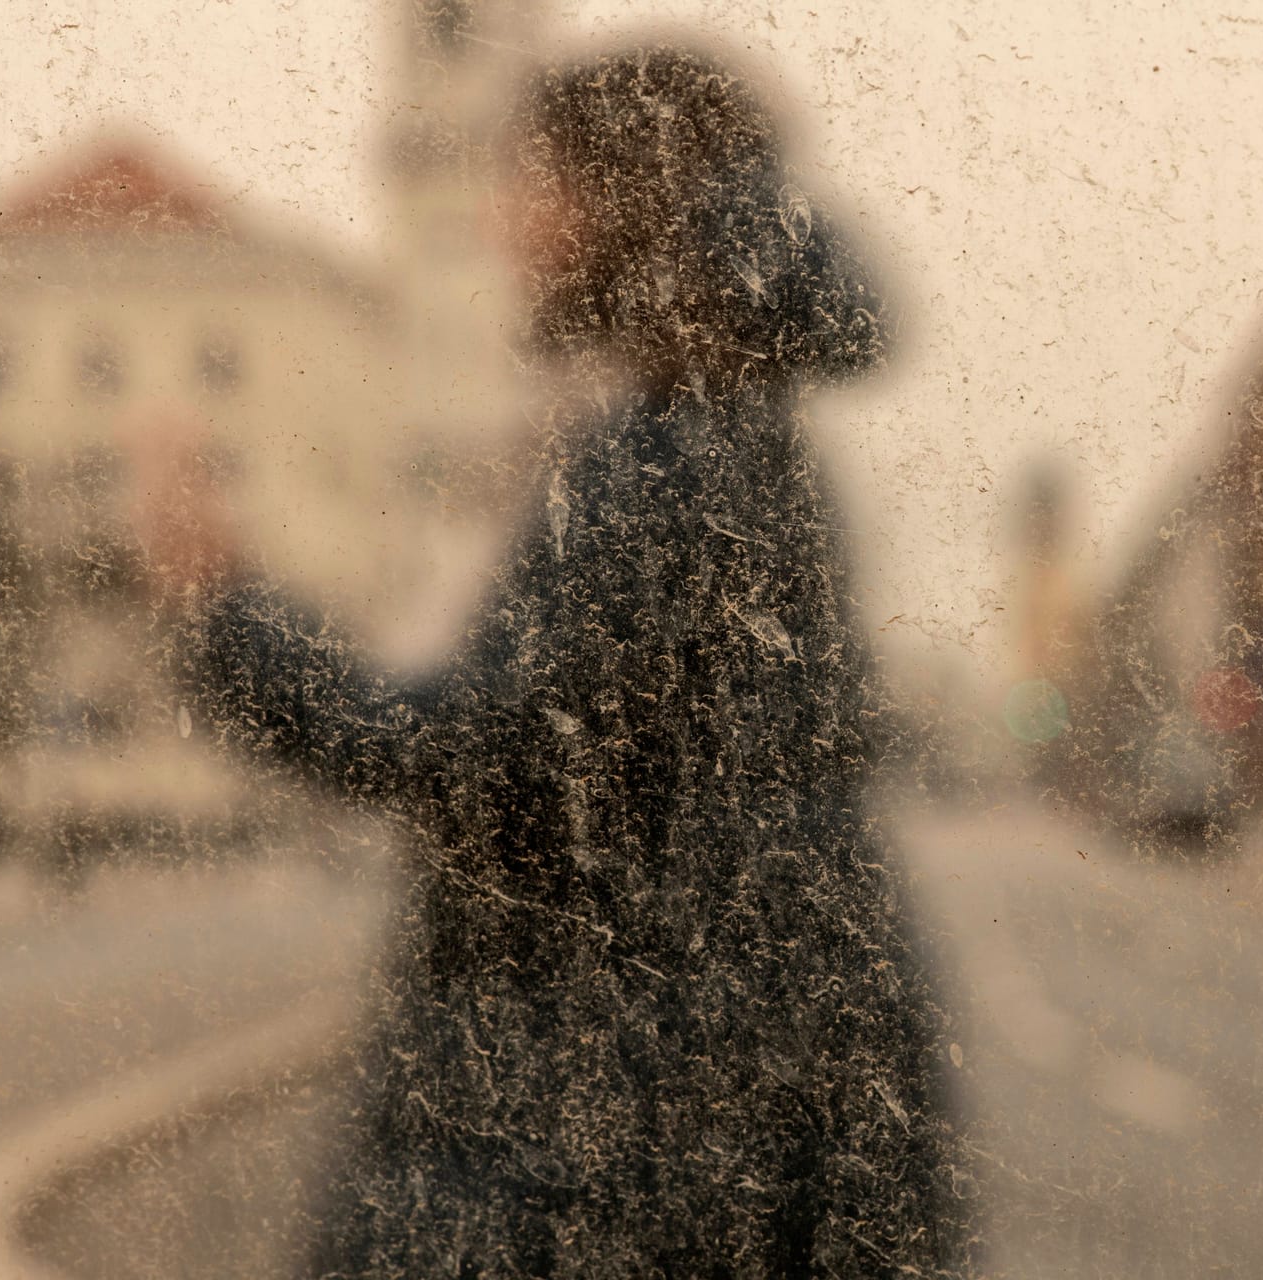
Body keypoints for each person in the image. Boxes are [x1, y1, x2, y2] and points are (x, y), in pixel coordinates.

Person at [131, 43, 974, 1279]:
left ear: (615, 195)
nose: (493, 218)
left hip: (631, 1081)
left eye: (526, 179)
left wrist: (223, 606)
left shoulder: (669, 452)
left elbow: (481, 749)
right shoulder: (720, 428)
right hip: (713, 1051)